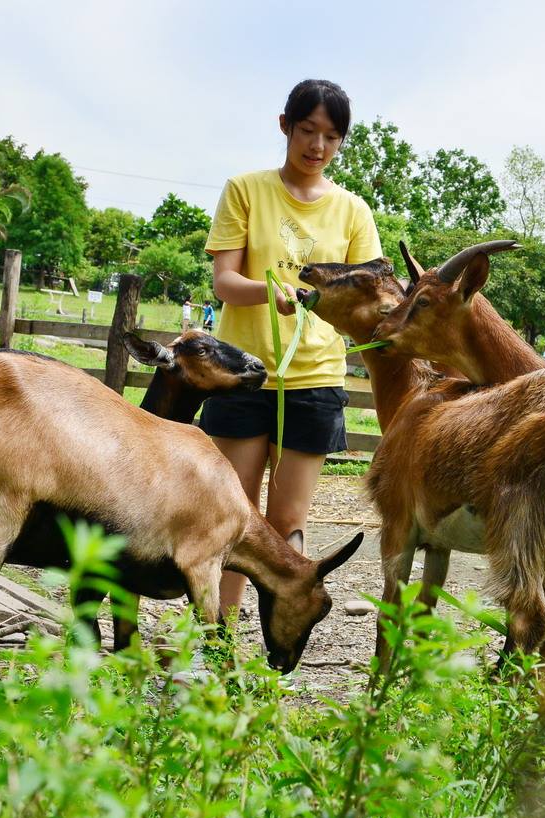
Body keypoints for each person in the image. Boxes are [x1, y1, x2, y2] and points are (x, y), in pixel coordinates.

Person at [202, 79, 380, 622]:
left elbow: (364, 293)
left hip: (314, 379)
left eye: (331, 136)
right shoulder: (245, 190)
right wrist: (269, 291)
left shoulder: (353, 212)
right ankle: (217, 642)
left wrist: (319, 303)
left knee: (286, 522)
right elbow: (224, 282)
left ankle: (282, 635)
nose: (318, 146)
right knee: (231, 518)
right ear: (285, 126)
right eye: (308, 130)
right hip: (242, 375)